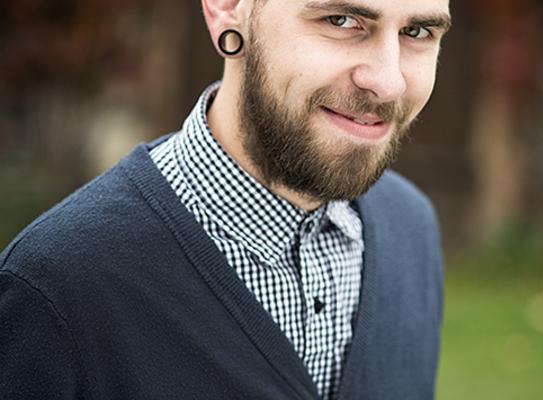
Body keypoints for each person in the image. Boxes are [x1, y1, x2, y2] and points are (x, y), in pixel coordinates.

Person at [0, 0, 451, 399]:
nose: (388, 82)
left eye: (417, 32)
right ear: (226, 7)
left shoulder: (410, 230)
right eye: (340, 21)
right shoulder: (55, 286)